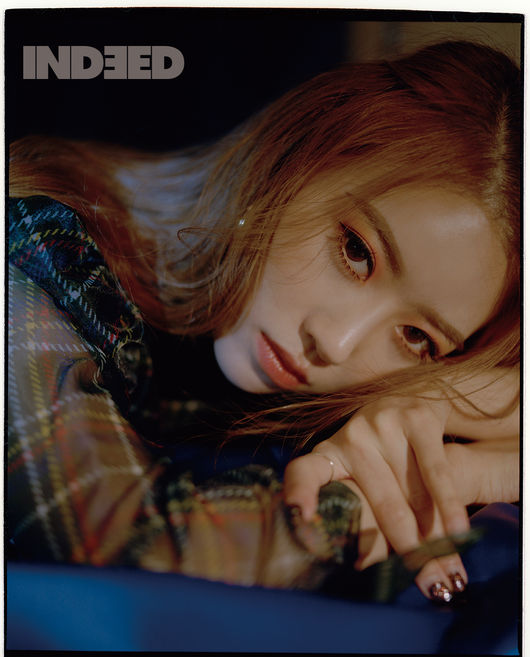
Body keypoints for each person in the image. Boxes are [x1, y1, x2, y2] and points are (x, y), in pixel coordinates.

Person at [8, 40, 520, 604]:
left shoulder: (332, 414)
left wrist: (471, 441)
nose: (335, 343)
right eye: (355, 251)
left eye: (416, 337)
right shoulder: (31, 250)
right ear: (295, 158)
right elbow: (123, 556)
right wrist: (360, 506)